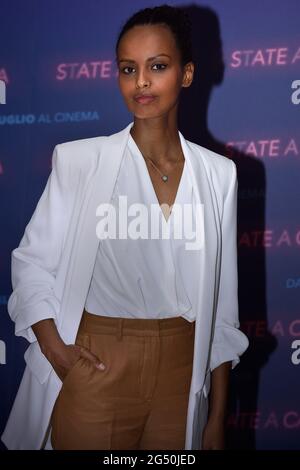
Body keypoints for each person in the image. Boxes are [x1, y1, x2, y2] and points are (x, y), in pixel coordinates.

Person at [1, 4, 249, 450]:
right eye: (128, 69)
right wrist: (57, 351)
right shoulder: (80, 161)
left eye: (158, 66)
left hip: (182, 369)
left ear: (187, 74)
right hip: (98, 362)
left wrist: (216, 415)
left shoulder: (219, 175)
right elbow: (31, 263)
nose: (142, 82)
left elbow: (222, 306)